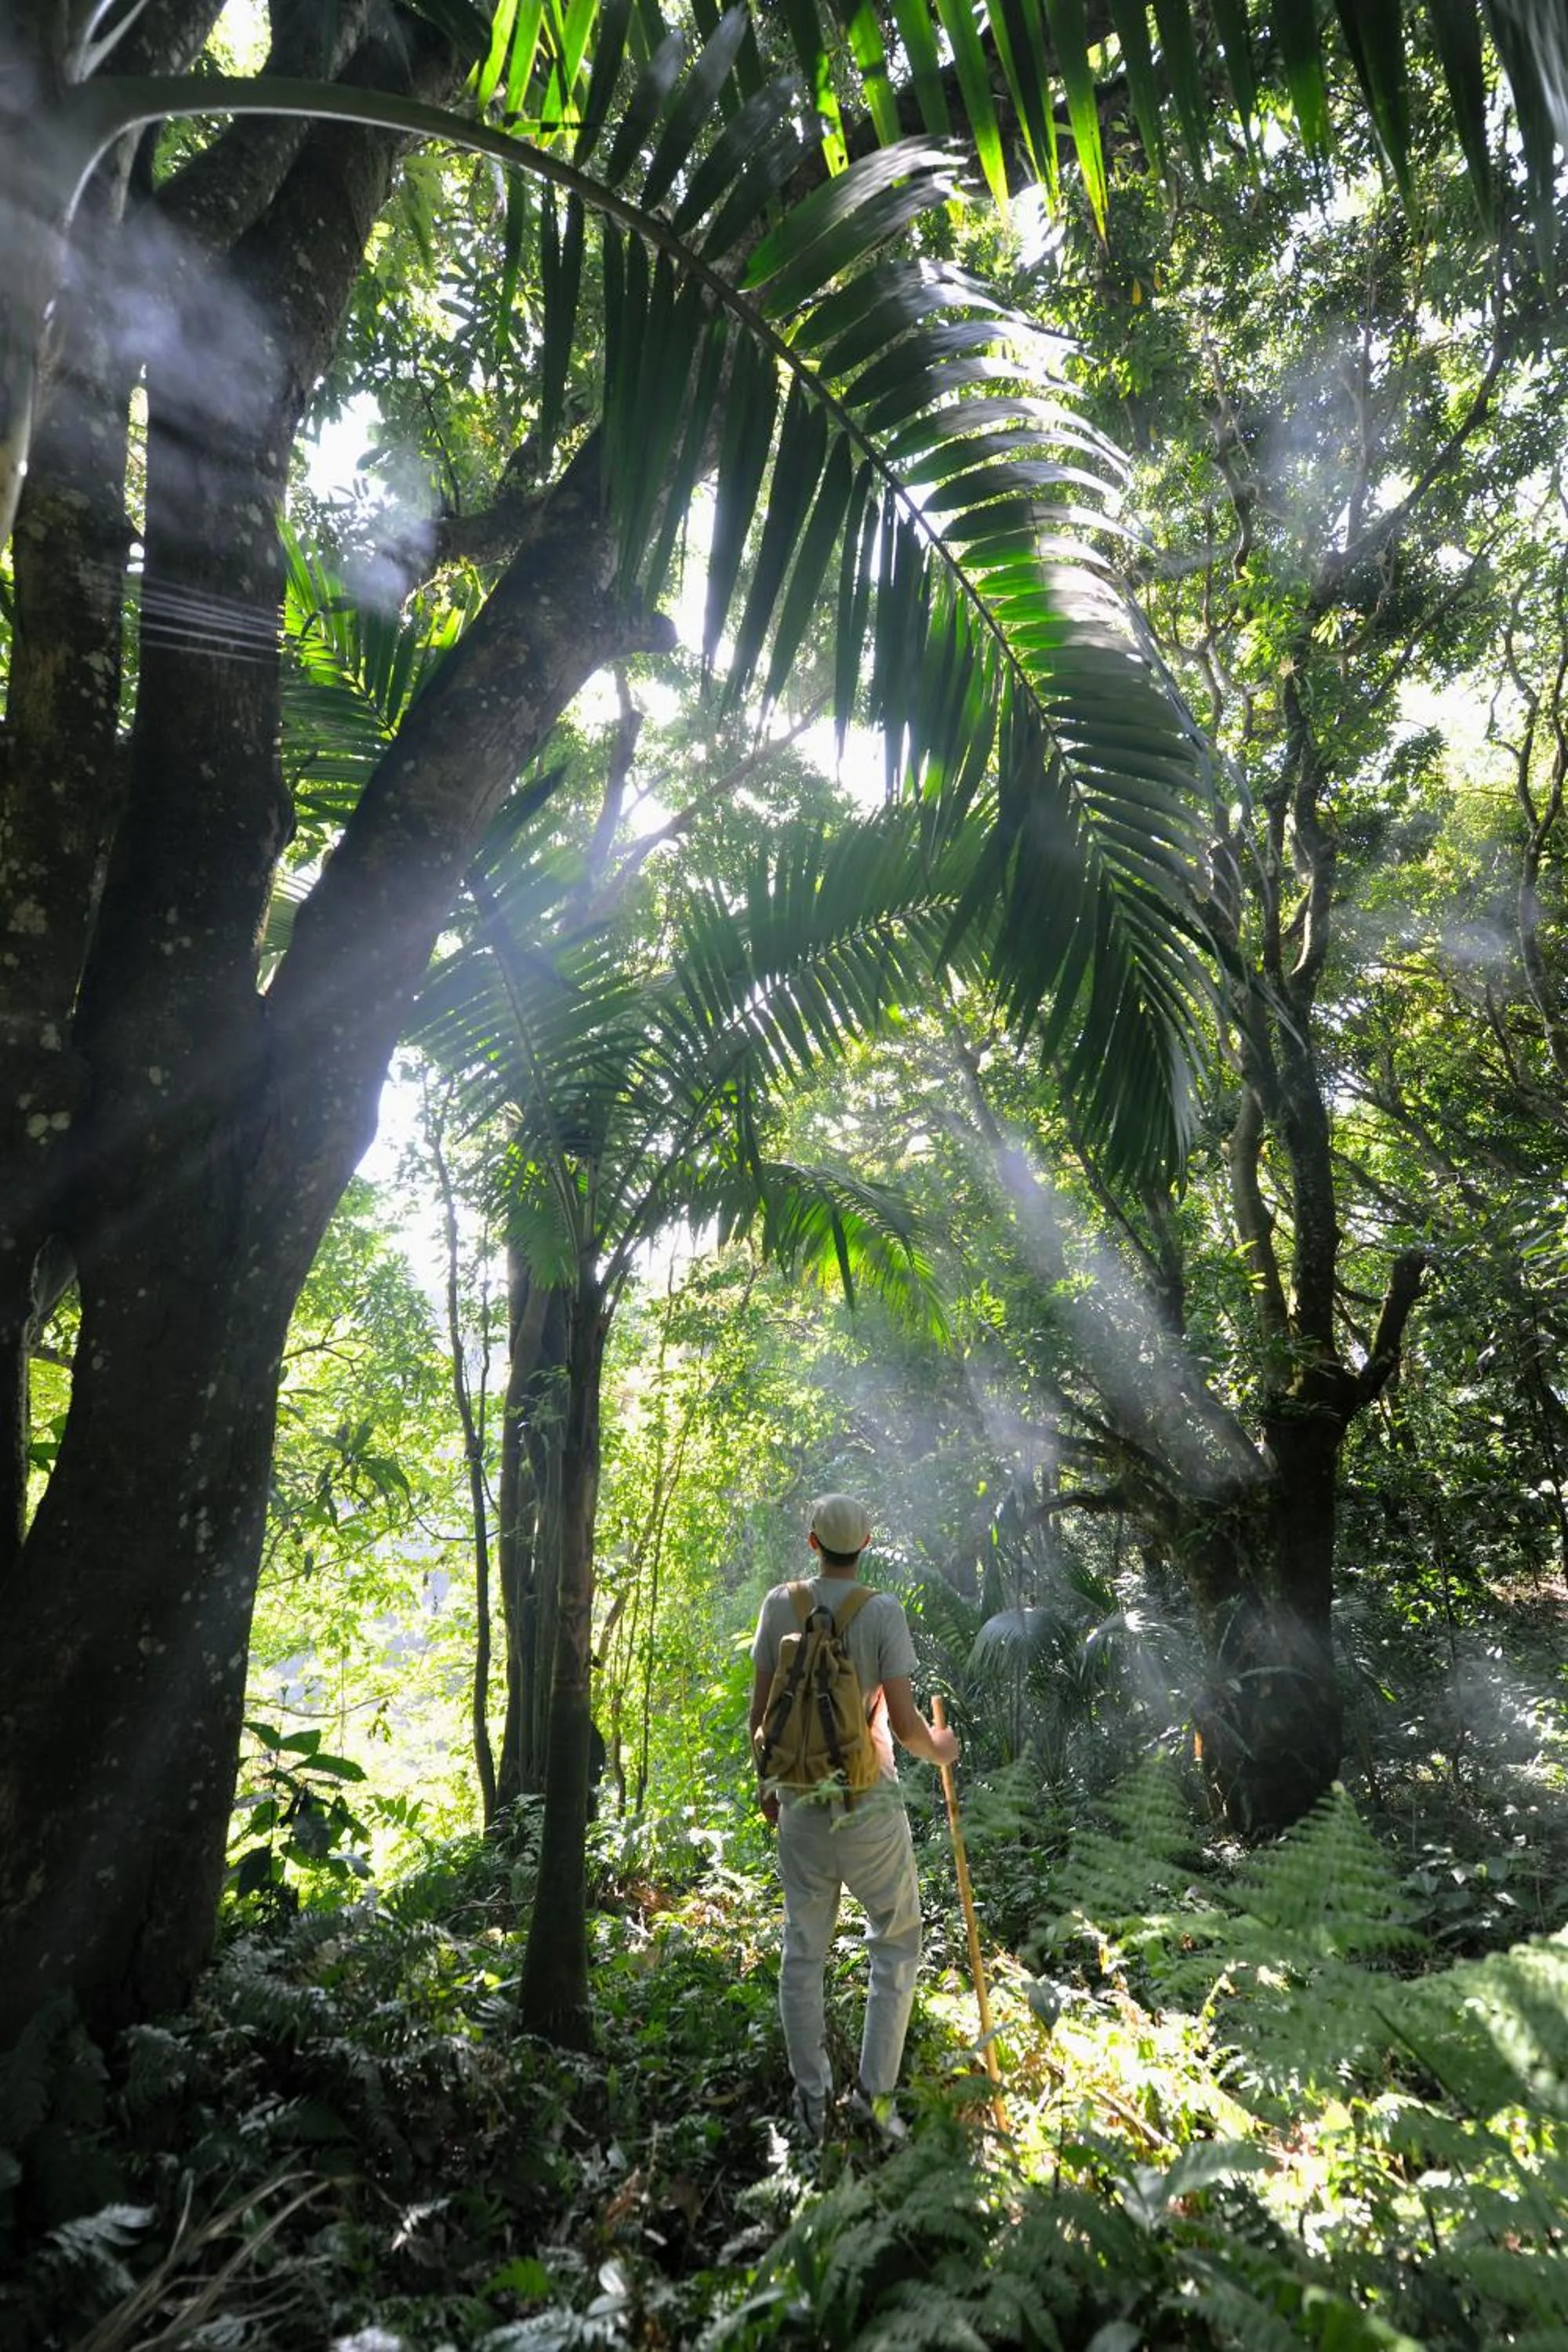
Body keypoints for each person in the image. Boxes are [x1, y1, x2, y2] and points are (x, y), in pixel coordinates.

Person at [748, 1492, 960, 2138]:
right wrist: (941, 1749)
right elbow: (904, 1726)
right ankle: (874, 2105)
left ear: (813, 1542)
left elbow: (760, 1721)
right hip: (869, 1805)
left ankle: (810, 2105)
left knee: (803, 1951)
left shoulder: (780, 1604)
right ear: (865, 1546)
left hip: (800, 1805)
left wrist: (768, 1790)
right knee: (895, 1943)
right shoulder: (882, 1613)